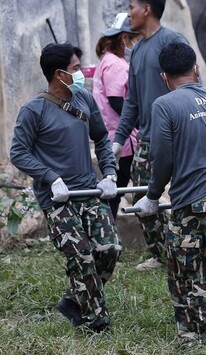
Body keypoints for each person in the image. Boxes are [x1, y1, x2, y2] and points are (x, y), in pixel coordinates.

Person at [132, 41, 206, 346]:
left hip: (196, 199)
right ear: (195, 69)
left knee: (182, 270)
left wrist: (152, 196)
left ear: (164, 76)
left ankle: (191, 335)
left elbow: (163, 158)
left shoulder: (164, 105)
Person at [10, 42, 121, 332]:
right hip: (58, 199)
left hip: (88, 191)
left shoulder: (83, 98)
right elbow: (19, 153)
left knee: (109, 248)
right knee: (81, 256)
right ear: (59, 74)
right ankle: (96, 323)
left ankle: (73, 300)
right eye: (75, 69)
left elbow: (101, 138)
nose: (81, 74)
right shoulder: (34, 110)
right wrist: (50, 177)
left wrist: (109, 173)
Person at [112, 0, 189, 271]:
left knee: (183, 193)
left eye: (131, 6)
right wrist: (118, 140)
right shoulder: (139, 50)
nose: (128, 13)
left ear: (146, 9)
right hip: (147, 139)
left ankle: (186, 249)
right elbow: (131, 100)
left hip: (179, 135)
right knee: (141, 196)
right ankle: (161, 254)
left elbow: (191, 84)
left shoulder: (172, 41)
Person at [92, 12, 140, 219]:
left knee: (117, 186)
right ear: (123, 38)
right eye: (132, 38)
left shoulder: (109, 60)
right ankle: (107, 228)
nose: (134, 42)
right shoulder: (115, 64)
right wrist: (139, 122)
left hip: (115, 132)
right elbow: (116, 100)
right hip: (121, 136)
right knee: (117, 187)